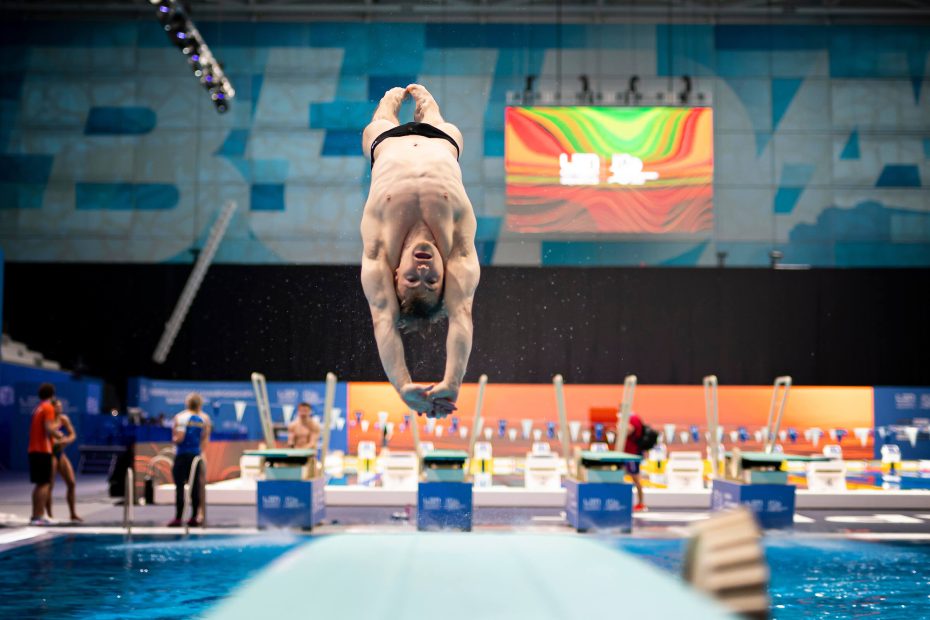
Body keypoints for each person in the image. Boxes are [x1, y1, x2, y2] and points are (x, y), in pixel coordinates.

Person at [361, 83, 480, 419]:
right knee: (432, 109)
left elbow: (384, 317)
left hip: (385, 142)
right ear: (447, 279)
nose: (423, 271)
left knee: (382, 115)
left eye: (412, 279)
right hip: (442, 140)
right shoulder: (458, 249)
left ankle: (388, 103)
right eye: (432, 282)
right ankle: (427, 107)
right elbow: (461, 315)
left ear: (395, 274)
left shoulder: (379, 251)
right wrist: (452, 382)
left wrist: (402, 386)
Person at [168, 392, 211, 527]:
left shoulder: (180, 417)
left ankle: (178, 517)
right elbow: (205, 439)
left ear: (187, 403)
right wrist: (199, 452)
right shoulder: (204, 419)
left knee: (180, 486)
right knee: (195, 487)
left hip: (182, 456)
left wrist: (174, 439)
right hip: (196, 456)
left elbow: (179, 438)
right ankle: (194, 516)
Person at [28, 383, 63, 525]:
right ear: (52, 394)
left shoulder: (38, 408)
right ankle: (39, 516)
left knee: (39, 484)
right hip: (43, 450)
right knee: (44, 484)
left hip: (33, 449)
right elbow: (49, 428)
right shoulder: (48, 407)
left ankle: (35, 516)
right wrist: (58, 433)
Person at [46, 398, 82, 523]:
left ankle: (73, 514)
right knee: (49, 486)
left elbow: (73, 434)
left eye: (61, 406)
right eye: (57, 407)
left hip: (60, 453)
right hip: (50, 454)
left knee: (71, 483)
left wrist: (66, 440)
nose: (60, 409)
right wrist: (56, 440)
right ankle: (49, 515)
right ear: (52, 408)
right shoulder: (48, 421)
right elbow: (46, 436)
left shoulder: (63, 419)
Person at [623, 412, 647, 511]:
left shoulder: (633, 418)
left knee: (636, 479)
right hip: (628, 454)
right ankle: (631, 502)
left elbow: (629, 430)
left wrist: (620, 427)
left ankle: (641, 503)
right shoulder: (631, 418)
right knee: (629, 478)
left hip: (633, 455)